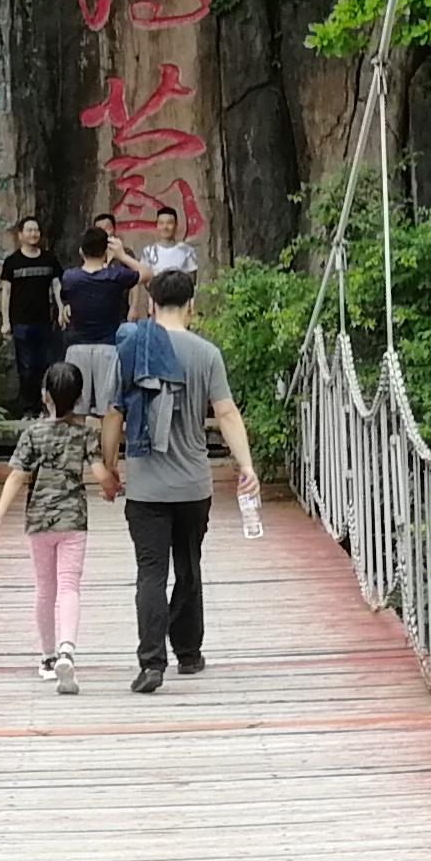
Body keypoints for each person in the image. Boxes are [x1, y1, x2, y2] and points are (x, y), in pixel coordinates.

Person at [97, 266, 258, 695]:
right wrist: (247, 466)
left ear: (151, 304)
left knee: (151, 572)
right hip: (192, 484)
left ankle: (152, 662)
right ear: (192, 305)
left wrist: (109, 468)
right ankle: (188, 652)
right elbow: (225, 413)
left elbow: (115, 415)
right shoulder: (206, 353)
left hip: (147, 486)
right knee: (188, 567)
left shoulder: (133, 349)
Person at [0, 360, 95, 693]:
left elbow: (17, 475)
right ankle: (67, 651)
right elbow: (101, 472)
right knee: (69, 586)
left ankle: (47, 657)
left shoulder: (32, 433)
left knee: (45, 587)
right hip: (73, 520)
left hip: (39, 521)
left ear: (45, 396)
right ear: (78, 397)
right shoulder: (84, 434)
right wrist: (111, 484)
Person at [56, 221, 140, 382]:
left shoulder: (70, 277)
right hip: (108, 348)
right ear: (105, 252)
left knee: (77, 402)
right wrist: (122, 255)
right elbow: (146, 273)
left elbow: (66, 297)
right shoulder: (115, 276)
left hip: (77, 347)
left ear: (81, 251)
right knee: (107, 404)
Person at [0, 218, 64, 412]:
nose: (34, 234)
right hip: (21, 322)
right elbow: (6, 292)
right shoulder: (12, 262)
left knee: (44, 365)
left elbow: (57, 286)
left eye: (36, 230)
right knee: (26, 367)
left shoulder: (49, 259)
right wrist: (6, 321)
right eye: (29, 230)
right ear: (20, 235)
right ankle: (28, 408)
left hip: (44, 321)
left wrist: (60, 309)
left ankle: (44, 406)